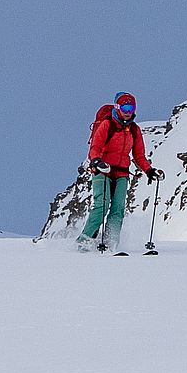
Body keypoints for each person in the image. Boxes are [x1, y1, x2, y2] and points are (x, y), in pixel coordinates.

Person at [77, 92, 164, 253]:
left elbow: (139, 155)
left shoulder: (134, 130)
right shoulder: (107, 125)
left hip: (122, 173)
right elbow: (95, 147)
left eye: (131, 107)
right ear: (117, 107)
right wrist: (96, 160)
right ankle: (83, 242)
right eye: (124, 107)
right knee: (101, 205)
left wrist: (149, 170)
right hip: (103, 169)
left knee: (118, 208)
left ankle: (112, 244)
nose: (128, 111)